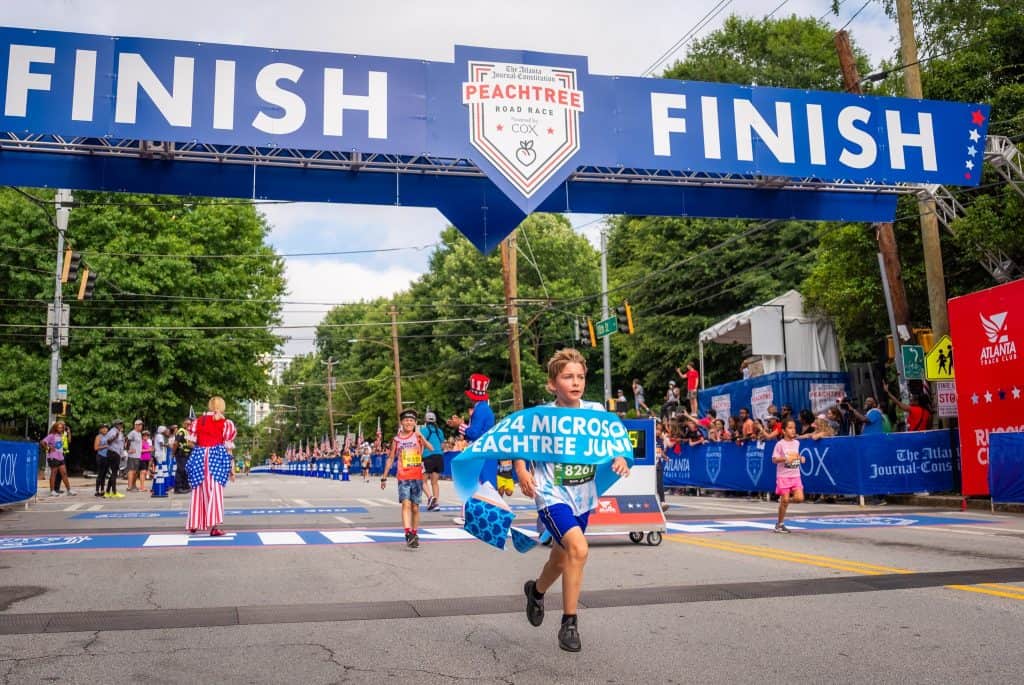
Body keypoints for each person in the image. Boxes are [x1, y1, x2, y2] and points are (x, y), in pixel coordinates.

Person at [516, 348, 630, 653]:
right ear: (553, 383)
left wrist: (619, 456)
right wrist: (521, 469)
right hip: (551, 495)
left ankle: (536, 592)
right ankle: (569, 623)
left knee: (561, 558)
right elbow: (520, 441)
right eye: (568, 377)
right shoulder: (543, 415)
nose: (576, 382)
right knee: (579, 548)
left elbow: (613, 440)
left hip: (583, 496)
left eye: (580, 376)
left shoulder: (595, 412)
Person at [185, 397, 237, 536]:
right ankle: (214, 527)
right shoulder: (226, 424)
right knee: (215, 491)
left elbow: (190, 443)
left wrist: (202, 445)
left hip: (199, 456)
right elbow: (228, 447)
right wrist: (232, 468)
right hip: (217, 456)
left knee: (198, 490)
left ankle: (194, 523)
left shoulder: (198, 421)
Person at [381, 409, 431, 548]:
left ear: (415, 423)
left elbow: (431, 448)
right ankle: (408, 533)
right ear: (402, 422)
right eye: (406, 420)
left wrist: (421, 437)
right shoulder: (396, 440)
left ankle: (415, 533)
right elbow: (391, 458)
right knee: (406, 504)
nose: (409, 423)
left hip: (417, 476)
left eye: (411, 420)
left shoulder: (418, 436)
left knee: (415, 508)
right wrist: (384, 477)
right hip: (403, 477)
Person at [771, 419, 805, 533]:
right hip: (783, 476)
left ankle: (784, 501)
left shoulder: (797, 443)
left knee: (799, 498)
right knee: (785, 499)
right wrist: (785, 458)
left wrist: (800, 459)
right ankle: (779, 524)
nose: (793, 430)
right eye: (790, 428)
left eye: (794, 428)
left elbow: (795, 459)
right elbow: (774, 459)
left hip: (795, 475)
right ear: (784, 431)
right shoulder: (779, 444)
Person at [41, 421, 75, 497]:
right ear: (55, 428)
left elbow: (68, 440)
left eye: (61, 427)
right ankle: (52, 491)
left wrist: (68, 431)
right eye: (59, 427)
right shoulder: (52, 435)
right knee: (54, 474)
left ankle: (69, 490)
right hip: (53, 457)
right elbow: (42, 442)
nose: (60, 429)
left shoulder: (62, 435)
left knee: (64, 473)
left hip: (61, 457)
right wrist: (48, 447)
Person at [420, 411, 446, 510]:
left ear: (425, 420)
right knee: (434, 482)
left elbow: (421, 443)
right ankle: (436, 503)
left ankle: (431, 498)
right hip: (439, 457)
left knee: (422, 480)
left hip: (427, 456)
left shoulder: (423, 430)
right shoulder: (439, 431)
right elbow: (443, 445)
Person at [104, 419, 125, 498]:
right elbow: (108, 441)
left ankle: (107, 492)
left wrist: (122, 455)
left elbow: (120, 445)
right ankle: (114, 492)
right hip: (113, 453)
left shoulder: (120, 432)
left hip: (117, 453)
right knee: (114, 473)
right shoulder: (113, 431)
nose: (120, 425)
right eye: (119, 424)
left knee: (114, 473)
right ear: (115, 425)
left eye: (121, 424)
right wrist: (115, 437)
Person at [174, 421, 193, 494]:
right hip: (181, 454)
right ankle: (178, 488)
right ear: (183, 424)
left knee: (186, 470)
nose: (188, 425)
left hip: (187, 454)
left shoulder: (187, 432)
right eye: (186, 423)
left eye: (189, 424)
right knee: (181, 470)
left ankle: (185, 486)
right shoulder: (181, 431)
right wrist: (173, 453)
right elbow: (176, 443)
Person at [125, 419, 144, 492]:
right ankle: (129, 487)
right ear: (135, 425)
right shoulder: (132, 433)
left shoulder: (139, 433)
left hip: (138, 455)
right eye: (139, 425)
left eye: (141, 425)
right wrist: (128, 449)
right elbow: (126, 439)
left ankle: (134, 485)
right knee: (131, 471)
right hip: (132, 456)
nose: (141, 426)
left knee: (136, 472)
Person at [93, 424, 109, 497]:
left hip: (107, 457)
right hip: (100, 456)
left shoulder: (108, 437)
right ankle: (97, 490)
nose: (105, 429)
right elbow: (96, 448)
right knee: (100, 474)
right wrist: (105, 446)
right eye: (103, 428)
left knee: (104, 474)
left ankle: (102, 490)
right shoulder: (99, 437)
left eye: (106, 428)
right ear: (100, 430)